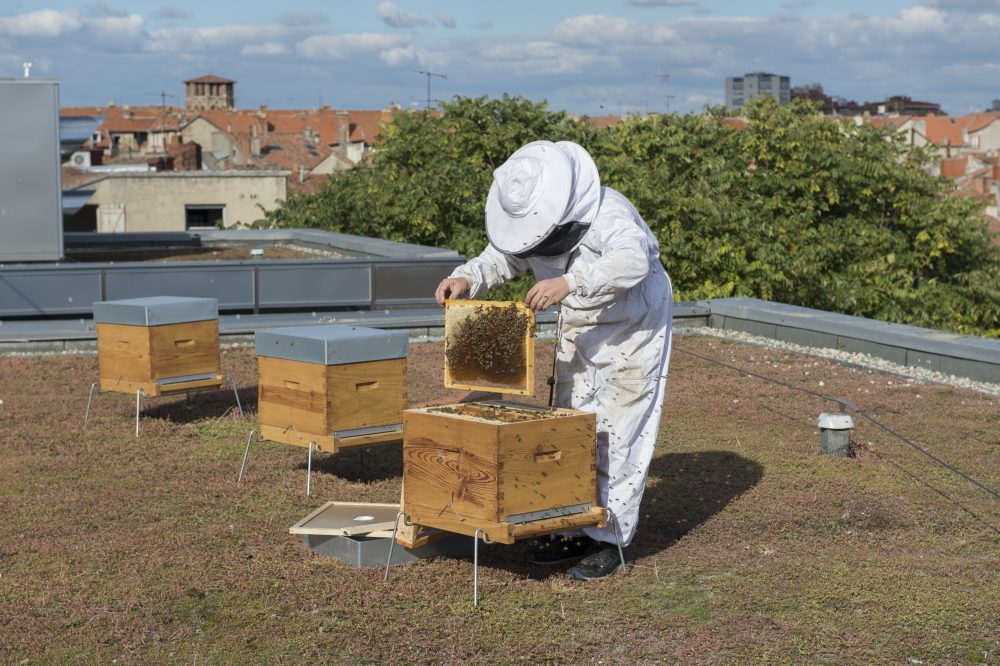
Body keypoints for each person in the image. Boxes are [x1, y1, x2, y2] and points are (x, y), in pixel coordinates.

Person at [434, 140, 673, 580]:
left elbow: (632, 259)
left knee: (618, 430)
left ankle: (610, 539)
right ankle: (574, 524)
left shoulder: (609, 212)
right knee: (572, 425)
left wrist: (570, 281)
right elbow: (507, 254)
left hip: (633, 320)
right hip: (580, 319)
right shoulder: (534, 221)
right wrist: (467, 276)